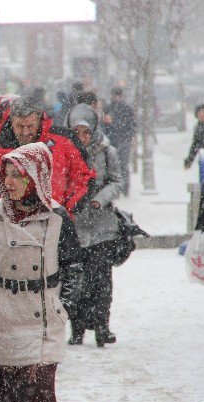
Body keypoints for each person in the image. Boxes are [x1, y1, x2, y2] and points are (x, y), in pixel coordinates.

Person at [0, 142, 83, 402]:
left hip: (43, 321)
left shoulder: (57, 217)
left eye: (20, 174)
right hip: (2, 318)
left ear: (37, 175)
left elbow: (75, 267)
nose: (10, 182)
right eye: (6, 174)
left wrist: (63, 307)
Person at [0, 96, 94, 215]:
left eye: (30, 126)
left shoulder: (63, 141)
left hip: (54, 223)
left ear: (39, 121)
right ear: (12, 122)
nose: (25, 132)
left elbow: (84, 178)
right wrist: (8, 187)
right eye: (19, 126)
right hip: (13, 227)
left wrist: (65, 209)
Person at [67, 104, 124, 347]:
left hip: (102, 228)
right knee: (76, 281)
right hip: (76, 228)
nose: (82, 137)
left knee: (101, 280)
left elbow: (117, 181)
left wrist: (99, 199)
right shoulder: (66, 152)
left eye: (86, 132)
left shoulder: (106, 151)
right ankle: (77, 327)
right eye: (77, 132)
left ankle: (102, 325)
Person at [103, 87, 137, 195]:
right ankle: (122, 188)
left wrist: (128, 136)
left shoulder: (112, 108)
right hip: (117, 140)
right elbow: (132, 125)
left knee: (120, 165)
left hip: (118, 140)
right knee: (120, 165)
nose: (115, 98)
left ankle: (122, 188)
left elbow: (132, 125)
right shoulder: (111, 108)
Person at [183, 103, 204, 171]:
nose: (201, 114)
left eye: (203, 111)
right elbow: (195, 144)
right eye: (199, 112)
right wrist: (189, 160)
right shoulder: (198, 128)